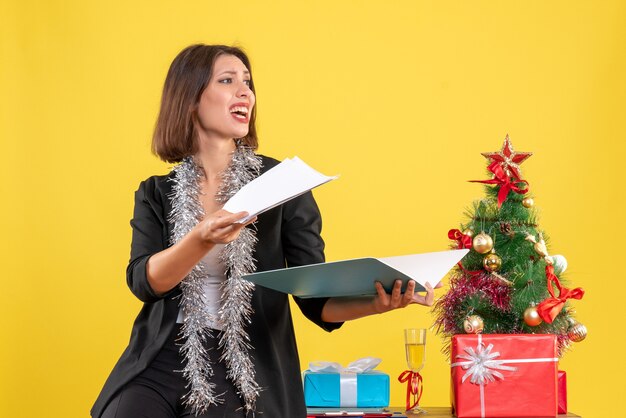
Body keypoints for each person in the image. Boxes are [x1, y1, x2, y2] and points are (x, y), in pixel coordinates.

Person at [91, 44, 436, 418]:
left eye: (248, 83)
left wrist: (376, 303)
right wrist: (200, 237)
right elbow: (145, 282)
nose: (245, 93)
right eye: (228, 81)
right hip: (162, 358)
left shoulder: (283, 185)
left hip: (246, 361)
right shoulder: (156, 192)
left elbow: (316, 301)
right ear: (190, 99)